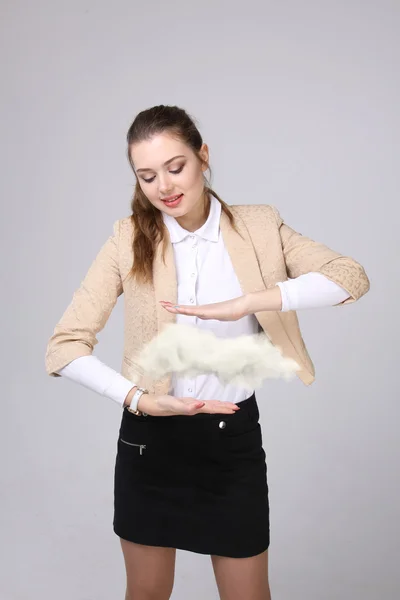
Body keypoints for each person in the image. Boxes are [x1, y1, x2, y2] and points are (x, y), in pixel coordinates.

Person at [45, 105, 370, 600]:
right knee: (147, 595)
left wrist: (248, 301)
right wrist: (139, 399)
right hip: (149, 442)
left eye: (176, 167)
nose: (164, 186)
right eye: (147, 175)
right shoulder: (127, 237)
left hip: (230, 442)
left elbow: (350, 278)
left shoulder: (260, 227)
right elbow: (64, 347)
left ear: (203, 156)